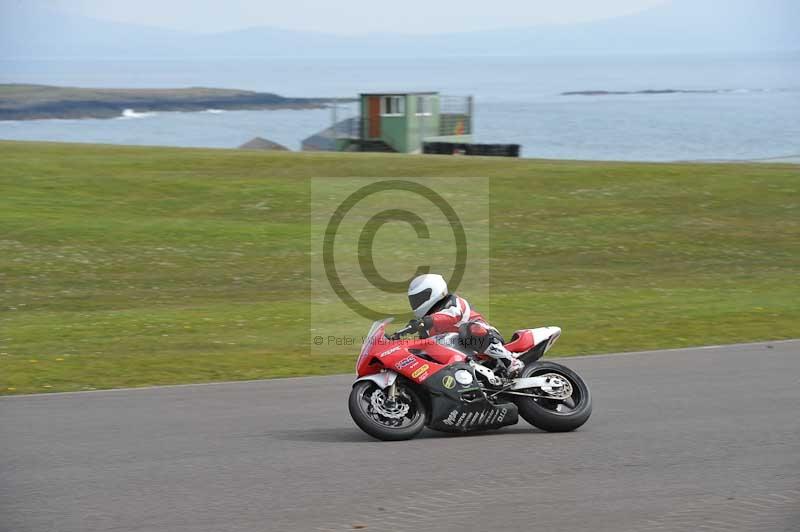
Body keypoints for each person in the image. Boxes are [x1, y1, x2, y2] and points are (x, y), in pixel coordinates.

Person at [404, 273, 524, 376]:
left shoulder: (452, 302)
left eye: (420, 298)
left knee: (467, 329)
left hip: (483, 339)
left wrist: (424, 322)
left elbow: (451, 316)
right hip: (460, 357)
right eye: (414, 300)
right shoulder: (425, 326)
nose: (416, 302)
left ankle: (510, 361)